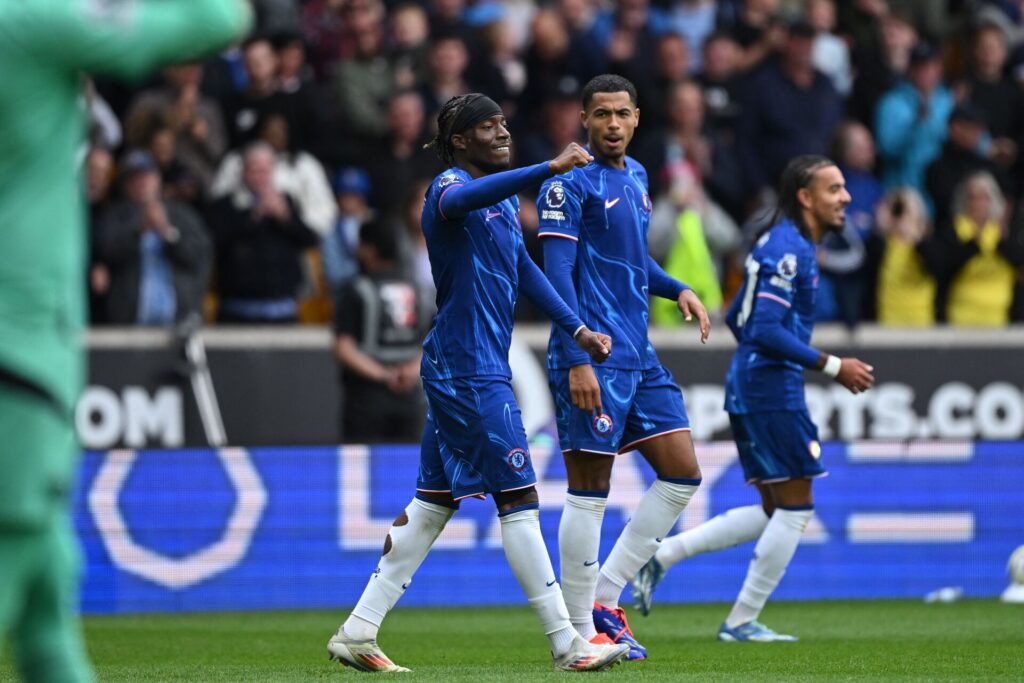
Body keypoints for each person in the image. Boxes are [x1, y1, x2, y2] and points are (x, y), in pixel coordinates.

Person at [326, 93, 629, 673]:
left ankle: (358, 630)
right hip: (466, 368)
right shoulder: (447, 187)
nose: (501, 134)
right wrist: (549, 168)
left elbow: (525, 271)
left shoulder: (505, 204)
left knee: (434, 502)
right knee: (519, 498)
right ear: (461, 141)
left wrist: (579, 329)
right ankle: (566, 641)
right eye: (487, 128)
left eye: (503, 125)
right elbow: (464, 197)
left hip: (477, 364)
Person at [0, 2, 249, 681]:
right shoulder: (25, 24)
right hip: (16, 351)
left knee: (49, 602)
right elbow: (216, 19)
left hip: (24, 352)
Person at [632, 155, 876, 642]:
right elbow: (761, 327)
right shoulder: (790, 250)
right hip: (770, 390)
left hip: (756, 384)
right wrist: (834, 366)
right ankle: (741, 620)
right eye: (834, 189)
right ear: (805, 197)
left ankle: (662, 557)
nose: (845, 197)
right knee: (797, 506)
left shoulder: (785, 243)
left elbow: (742, 321)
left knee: (774, 507)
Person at [537, 74, 711, 661]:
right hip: (594, 357)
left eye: (622, 114)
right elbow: (557, 277)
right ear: (584, 119)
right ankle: (580, 628)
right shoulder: (566, 185)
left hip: (639, 354)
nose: (612, 124)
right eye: (601, 114)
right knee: (590, 490)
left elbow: (633, 261)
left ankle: (606, 597)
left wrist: (676, 287)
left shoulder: (636, 178)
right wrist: (577, 356)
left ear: (637, 118)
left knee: (683, 472)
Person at [206, 142, 321, 324]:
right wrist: (253, 216)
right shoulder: (225, 205)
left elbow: (310, 239)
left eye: (265, 171)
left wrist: (286, 218)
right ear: (243, 171)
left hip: (283, 311)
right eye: (255, 170)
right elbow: (217, 241)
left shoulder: (287, 202)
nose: (260, 177)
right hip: (237, 312)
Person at [333, 220, 426, 443]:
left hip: (366, 400)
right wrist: (410, 371)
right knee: (407, 470)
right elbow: (437, 344)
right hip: (411, 397)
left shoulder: (356, 290)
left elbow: (344, 349)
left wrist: (386, 375)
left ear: (370, 250)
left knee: (364, 473)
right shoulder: (420, 291)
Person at [98, 151, 213, 325]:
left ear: (158, 180)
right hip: (129, 324)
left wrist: (167, 232)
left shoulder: (182, 215)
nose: (142, 183)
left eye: (147, 177)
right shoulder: (115, 217)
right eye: (134, 178)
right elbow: (105, 254)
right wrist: (139, 231)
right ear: (125, 185)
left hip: (178, 323)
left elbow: (197, 257)